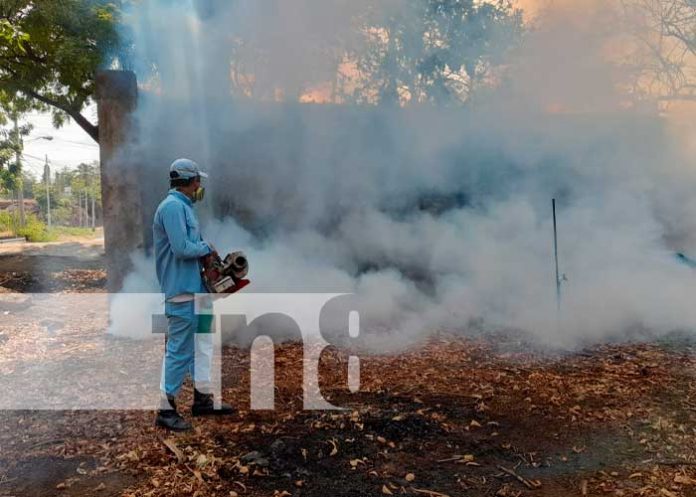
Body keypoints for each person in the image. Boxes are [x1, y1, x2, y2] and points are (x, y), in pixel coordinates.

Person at [153, 158, 234, 431]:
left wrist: (210, 260)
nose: (200, 185)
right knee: (179, 350)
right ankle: (165, 410)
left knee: (203, 344)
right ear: (188, 182)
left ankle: (203, 399)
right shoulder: (172, 207)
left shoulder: (185, 207)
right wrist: (206, 247)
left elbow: (191, 247)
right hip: (181, 291)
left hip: (196, 289)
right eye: (198, 180)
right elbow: (181, 248)